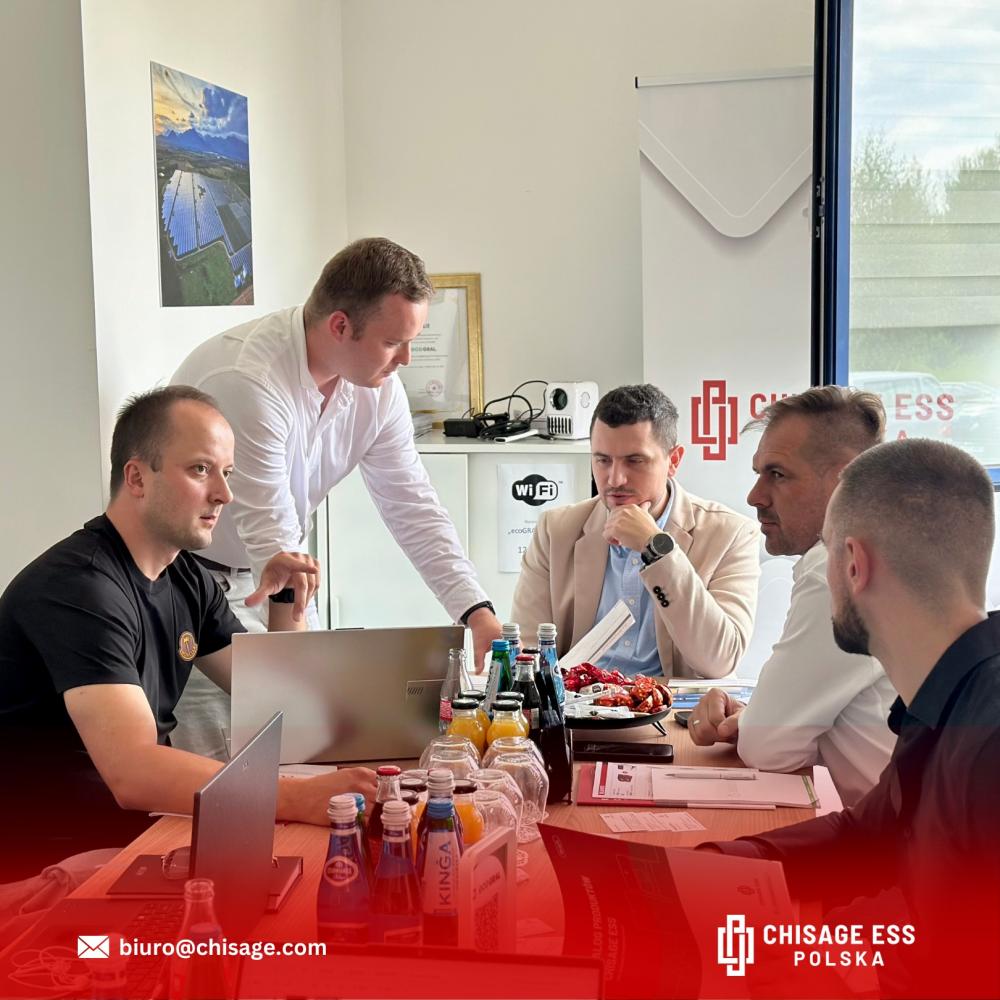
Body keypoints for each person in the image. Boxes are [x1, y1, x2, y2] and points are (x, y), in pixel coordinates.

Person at [0, 387, 376, 882]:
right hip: (55, 860)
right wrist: (293, 797)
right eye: (201, 469)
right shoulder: (79, 587)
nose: (224, 494)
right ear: (137, 477)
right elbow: (133, 771)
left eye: (227, 473)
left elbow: (278, 702)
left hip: (136, 837)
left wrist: (287, 600)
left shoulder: (185, 578)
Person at [172, 237, 501, 755]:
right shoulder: (248, 381)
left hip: (282, 579)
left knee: (314, 753)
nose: (406, 359)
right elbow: (271, 538)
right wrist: (309, 695)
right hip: (192, 584)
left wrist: (475, 610)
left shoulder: (378, 389)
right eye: (393, 343)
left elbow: (413, 505)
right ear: (340, 326)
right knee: (220, 772)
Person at [704, 438, 1000, 997]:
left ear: (854, 565)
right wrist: (714, 869)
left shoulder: (987, 741)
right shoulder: (947, 695)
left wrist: (818, 970)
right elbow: (868, 837)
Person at [689, 387, 896, 806]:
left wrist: (761, 724)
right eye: (758, 473)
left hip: (893, 838)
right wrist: (761, 718)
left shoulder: (840, 567)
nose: (755, 496)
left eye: (778, 475)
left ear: (843, 480)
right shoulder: (887, 549)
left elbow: (768, 749)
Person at [511, 384, 759, 679]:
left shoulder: (730, 534)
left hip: (672, 703)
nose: (615, 479)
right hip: (579, 701)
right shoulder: (556, 531)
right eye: (602, 460)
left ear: (674, 461)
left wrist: (656, 548)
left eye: (635, 461)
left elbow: (719, 661)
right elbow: (527, 656)